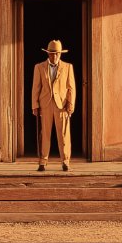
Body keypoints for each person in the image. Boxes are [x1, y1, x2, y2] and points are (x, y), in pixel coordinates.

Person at [30, 39, 77, 171]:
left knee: (63, 134)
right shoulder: (39, 67)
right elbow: (35, 88)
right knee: (44, 134)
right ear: (47, 53)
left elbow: (71, 88)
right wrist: (35, 105)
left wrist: (71, 104)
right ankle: (42, 162)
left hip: (61, 105)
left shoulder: (68, 67)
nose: (54, 56)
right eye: (51, 53)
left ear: (60, 54)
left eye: (57, 53)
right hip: (45, 105)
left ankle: (65, 161)